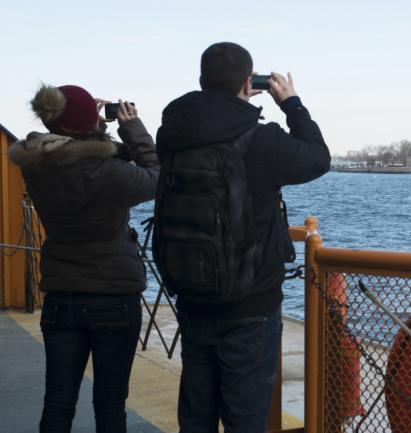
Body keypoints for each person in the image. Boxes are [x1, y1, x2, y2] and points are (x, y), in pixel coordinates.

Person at [154, 42, 330, 433]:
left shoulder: (173, 135)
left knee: (196, 417)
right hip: (251, 304)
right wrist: (293, 105)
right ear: (250, 83)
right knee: (245, 420)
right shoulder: (262, 140)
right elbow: (319, 159)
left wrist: (233, 101)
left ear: (201, 81)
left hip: (193, 296)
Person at [8, 84, 159, 432]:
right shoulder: (110, 172)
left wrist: (88, 125)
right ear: (83, 124)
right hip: (113, 295)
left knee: (58, 401)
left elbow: (75, 151)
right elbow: (156, 176)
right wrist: (130, 126)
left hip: (61, 294)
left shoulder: (35, 163)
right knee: (109, 405)